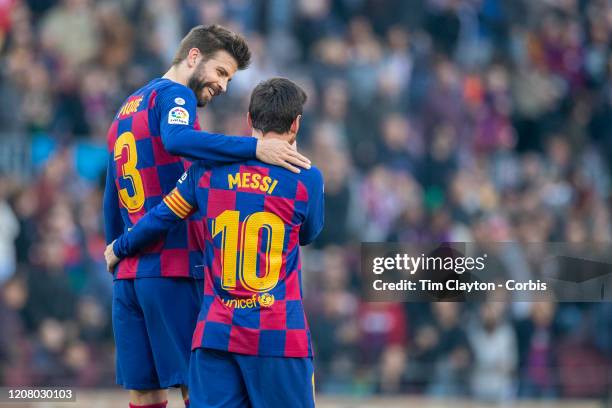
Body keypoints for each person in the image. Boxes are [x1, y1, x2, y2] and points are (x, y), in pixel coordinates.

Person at [103, 25, 311, 408]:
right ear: (194, 56)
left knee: (144, 392)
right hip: (175, 267)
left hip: (131, 275)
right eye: (221, 72)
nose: (223, 86)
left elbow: (112, 189)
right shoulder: (175, 95)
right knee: (197, 389)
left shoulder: (128, 106)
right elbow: (178, 140)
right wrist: (255, 147)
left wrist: (115, 249)